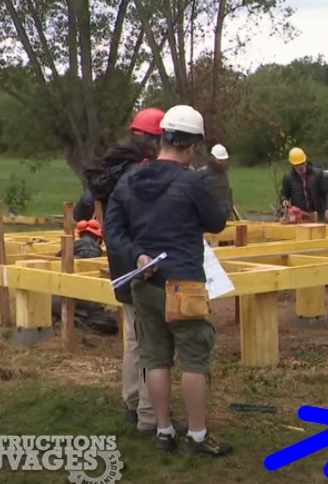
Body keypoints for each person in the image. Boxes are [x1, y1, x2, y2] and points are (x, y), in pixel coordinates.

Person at [103, 104, 232, 457]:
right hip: (184, 283)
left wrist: (138, 255)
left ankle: (162, 431)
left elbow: (112, 229)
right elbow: (216, 222)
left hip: (145, 281)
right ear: (191, 147)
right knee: (193, 359)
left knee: (156, 357)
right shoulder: (191, 181)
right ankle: (197, 436)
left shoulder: (129, 180)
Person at [83, 107, 172, 437]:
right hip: (141, 261)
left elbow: (89, 209)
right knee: (151, 340)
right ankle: (150, 415)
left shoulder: (110, 169)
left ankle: (132, 402)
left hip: (120, 261)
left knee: (134, 337)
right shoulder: (140, 172)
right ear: (151, 139)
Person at [50, 220, 119, 335]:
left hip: (54, 297)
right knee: (109, 323)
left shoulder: (71, 245)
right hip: (74, 298)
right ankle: (77, 322)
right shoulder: (93, 250)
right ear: (99, 239)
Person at [280, 147, 328, 222]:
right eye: (297, 165)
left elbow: (327, 193)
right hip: (300, 217)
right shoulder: (288, 178)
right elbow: (284, 194)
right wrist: (284, 200)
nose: (300, 167)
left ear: (305, 161)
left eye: (302, 164)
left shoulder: (317, 174)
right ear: (292, 165)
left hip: (318, 215)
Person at [198, 143, 235, 221]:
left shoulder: (224, 173)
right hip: (209, 217)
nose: (222, 163)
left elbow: (228, 192)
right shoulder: (202, 173)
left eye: (223, 160)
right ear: (213, 158)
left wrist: (230, 210)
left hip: (225, 215)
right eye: (220, 160)